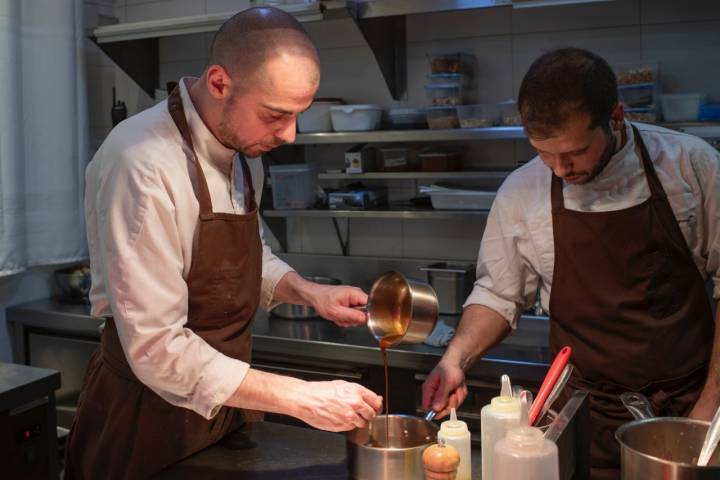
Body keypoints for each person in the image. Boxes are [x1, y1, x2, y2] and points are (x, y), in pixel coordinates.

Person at [65, 7, 381, 479]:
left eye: (298, 116)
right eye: (276, 115)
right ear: (218, 83)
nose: (289, 135)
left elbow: (246, 256)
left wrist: (309, 292)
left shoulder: (242, 148)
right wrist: (300, 397)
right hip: (145, 417)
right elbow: (156, 348)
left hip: (219, 411)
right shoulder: (142, 165)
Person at [422, 47, 720, 479]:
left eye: (576, 152)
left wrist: (707, 413)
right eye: (545, 153)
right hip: (581, 416)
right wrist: (454, 359)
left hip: (690, 408)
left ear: (616, 117)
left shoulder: (690, 166)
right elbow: (499, 293)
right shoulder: (522, 191)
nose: (561, 168)